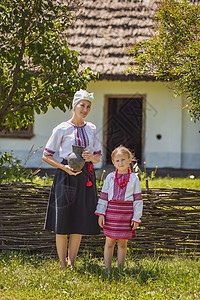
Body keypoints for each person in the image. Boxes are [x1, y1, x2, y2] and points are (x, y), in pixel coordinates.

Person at [43, 89, 101, 270]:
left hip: (86, 178)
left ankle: (71, 262)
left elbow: (98, 156)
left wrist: (91, 157)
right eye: (82, 105)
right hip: (65, 177)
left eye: (88, 107)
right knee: (63, 221)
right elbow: (46, 155)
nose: (85, 109)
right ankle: (61, 264)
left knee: (79, 219)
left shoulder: (91, 128)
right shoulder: (61, 128)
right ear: (74, 106)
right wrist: (63, 167)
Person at [95, 145, 143, 273]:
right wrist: (101, 214)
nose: (120, 163)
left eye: (123, 160)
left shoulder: (134, 178)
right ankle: (108, 269)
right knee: (109, 242)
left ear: (129, 160)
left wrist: (136, 218)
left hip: (126, 214)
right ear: (113, 162)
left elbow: (138, 200)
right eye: (117, 160)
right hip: (111, 213)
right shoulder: (110, 177)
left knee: (122, 243)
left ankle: (121, 269)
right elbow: (104, 196)